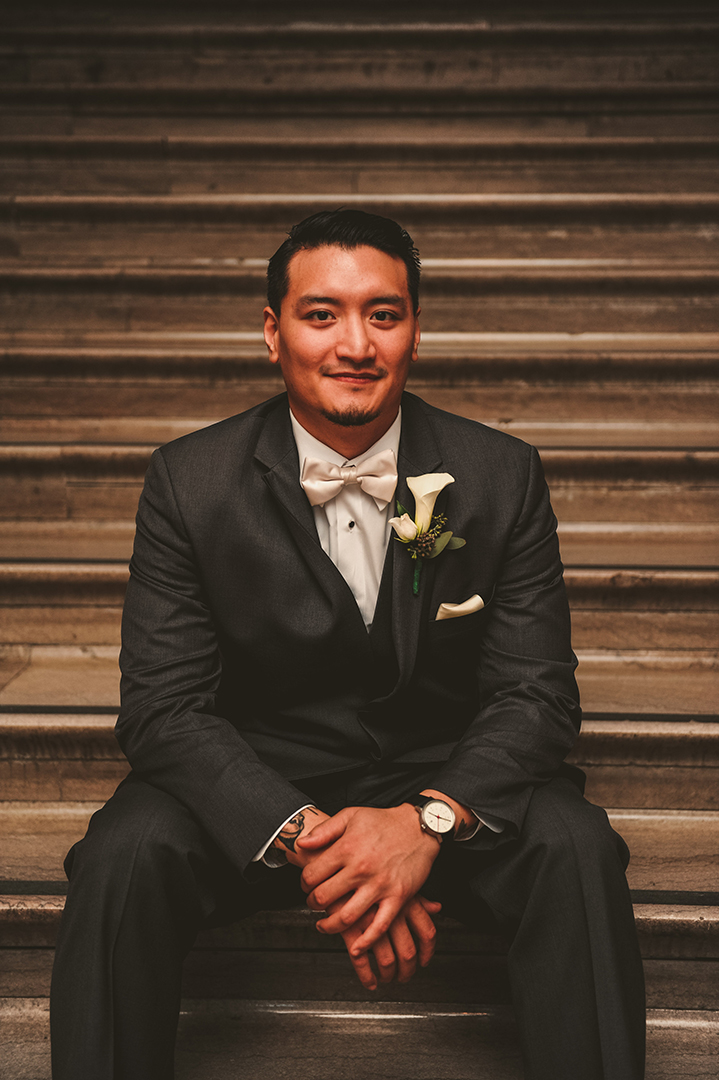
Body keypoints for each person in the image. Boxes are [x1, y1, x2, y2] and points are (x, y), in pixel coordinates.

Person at [50, 209, 646, 1079]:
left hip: (440, 768)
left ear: (415, 330)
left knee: (577, 849)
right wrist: (321, 843)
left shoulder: (499, 473)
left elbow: (537, 695)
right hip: (261, 776)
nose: (354, 345)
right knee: (122, 857)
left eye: (384, 314)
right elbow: (163, 709)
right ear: (272, 331)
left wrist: (426, 822)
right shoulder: (189, 480)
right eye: (321, 314)